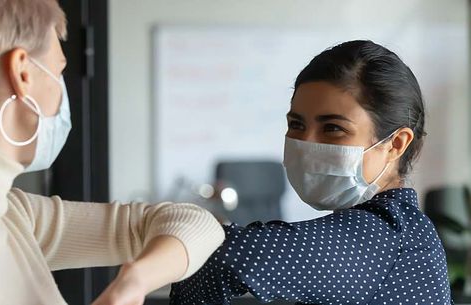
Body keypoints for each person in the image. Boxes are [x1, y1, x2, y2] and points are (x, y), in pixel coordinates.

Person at [0, 0, 225, 304]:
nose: (60, 92)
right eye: (59, 71)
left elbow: (195, 222)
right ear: (22, 73)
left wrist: (134, 280)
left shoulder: (12, 212)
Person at [170, 40, 453, 305]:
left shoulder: (388, 235)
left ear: (395, 144)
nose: (306, 143)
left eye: (333, 128)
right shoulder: (396, 231)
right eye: (296, 125)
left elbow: (224, 256)